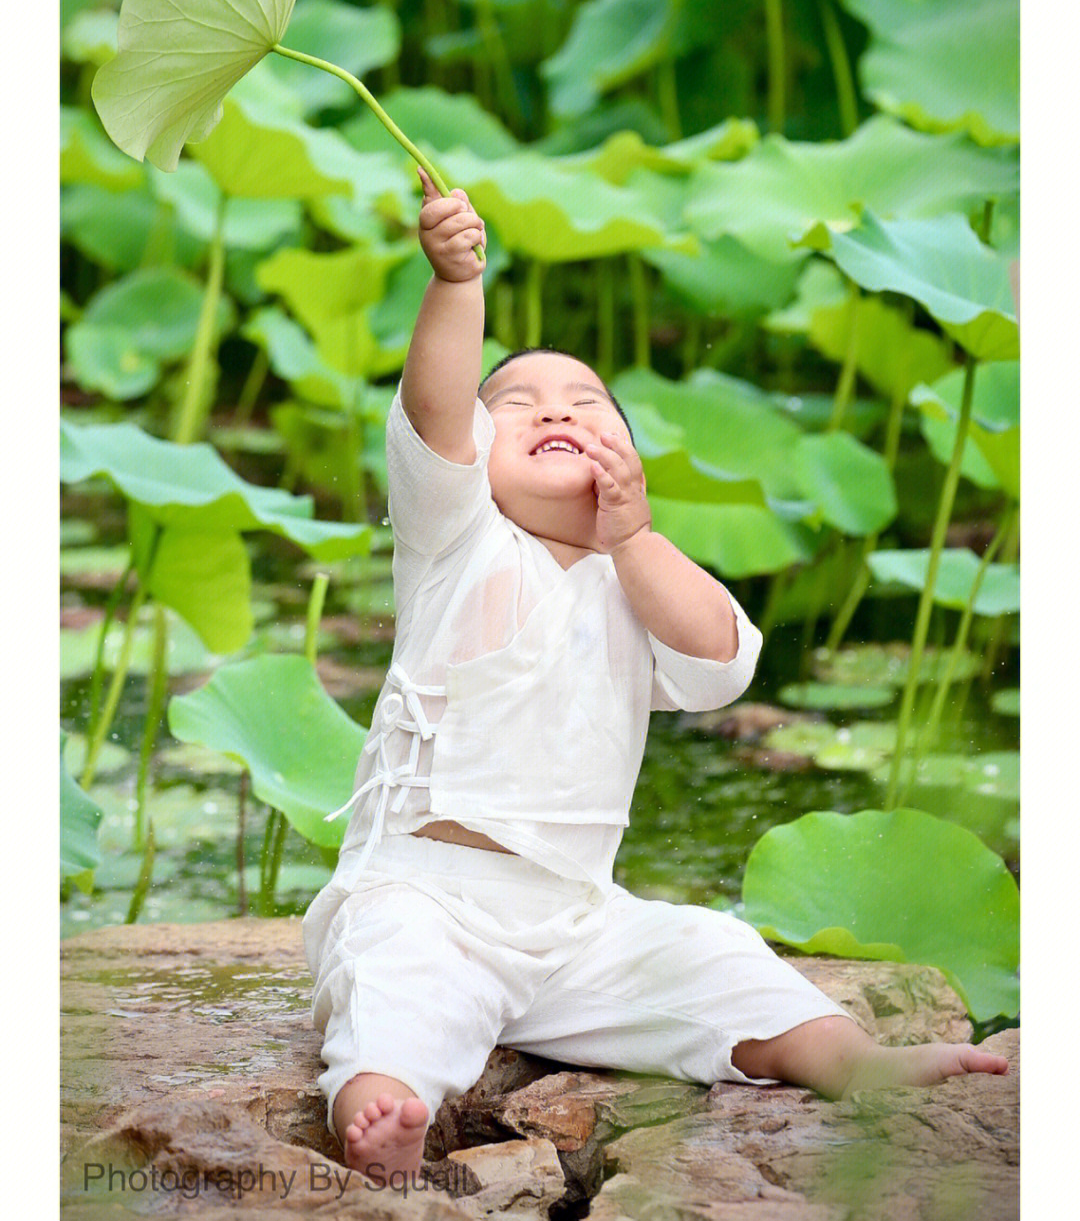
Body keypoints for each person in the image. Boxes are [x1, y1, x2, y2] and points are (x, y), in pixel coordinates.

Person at [303, 171, 1007, 1181]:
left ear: (630, 459)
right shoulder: (457, 539)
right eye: (520, 405)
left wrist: (633, 540)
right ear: (474, 451)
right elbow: (432, 406)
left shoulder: (635, 578)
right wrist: (456, 283)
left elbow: (723, 660)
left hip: (581, 920)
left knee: (713, 955)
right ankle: (381, 1102)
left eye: (590, 406)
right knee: (399, 981)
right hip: (428, 891)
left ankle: (850, 1060)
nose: (559, 409)